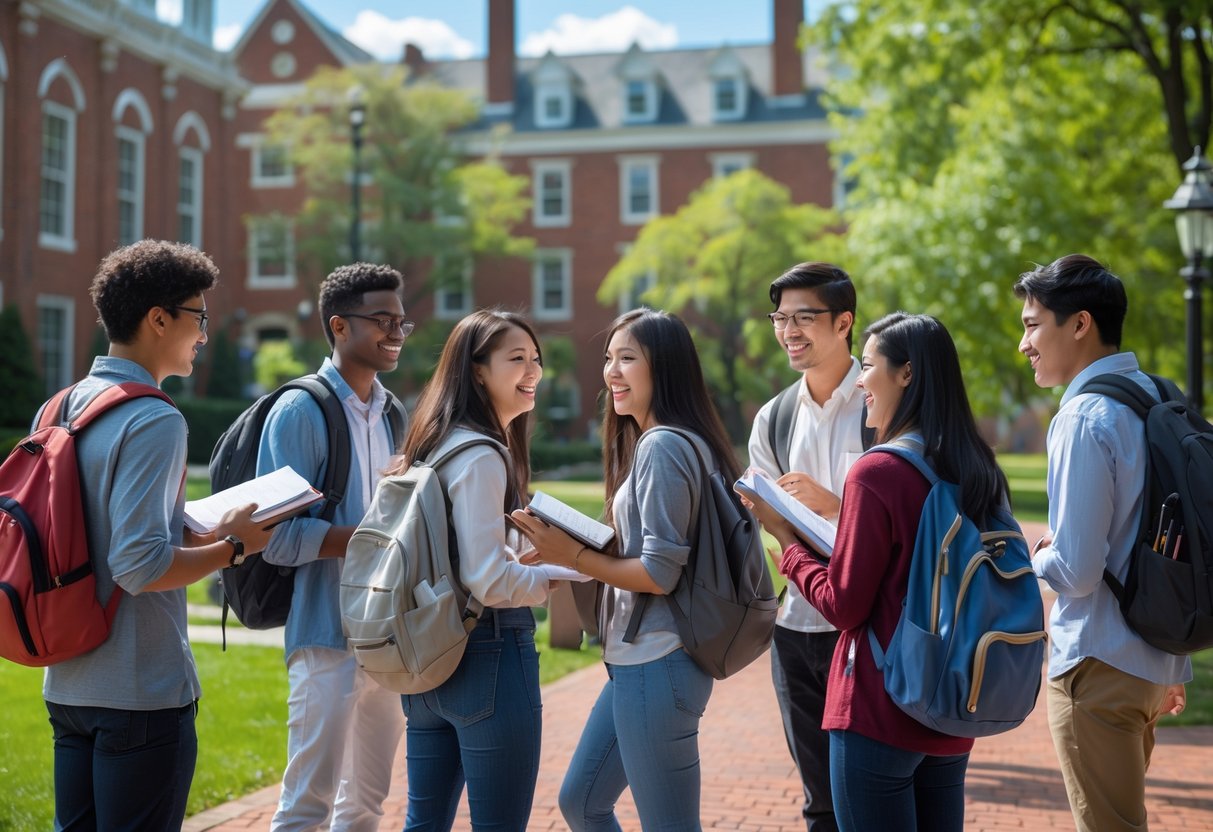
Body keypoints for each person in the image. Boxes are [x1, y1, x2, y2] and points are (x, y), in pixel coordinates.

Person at [41, 240, 273, 831]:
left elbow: (94, 530)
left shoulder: (60, 407)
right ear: (159, 318)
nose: (203, 333)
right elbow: (138, 566)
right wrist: (235, 546)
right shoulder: (154, 417)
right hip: (139, 690)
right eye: (198, 316)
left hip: (68, 683)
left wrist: (192, 530)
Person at [745, 312, 1001, 832]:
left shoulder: (878, 470)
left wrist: (789, 545)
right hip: (950, 696)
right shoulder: (976, 464)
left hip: (879, 701)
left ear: (905, 374)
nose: (860, 380)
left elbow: (844, 606)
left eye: (867, 366)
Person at [510, 308, 739, 830]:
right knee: (582, 803)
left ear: (665, 368)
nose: (611, 371)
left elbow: (660, 573)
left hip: (659, 663)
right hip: (635, 665)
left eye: (627, 358)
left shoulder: (663, 445)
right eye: (609, 358)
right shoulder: (663, 442)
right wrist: (575, 550)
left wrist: (575, 556)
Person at [1013, 254, 1190, 832]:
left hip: (1096, 661)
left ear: (1080, 323)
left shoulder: (1084, 416)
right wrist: (1174, 665)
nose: (1024, 344)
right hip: (1151, 661)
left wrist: (1036, 555)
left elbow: (1079, 571)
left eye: (1033, 324)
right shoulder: (1158, 396)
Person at [256, 263, 411, 832]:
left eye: (401, 321)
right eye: (382, 320)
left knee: (367, 805)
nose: (395, 333)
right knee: (307, 807)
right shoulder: (302, 411)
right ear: (339, 326)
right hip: (326, 635)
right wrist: (373, 538)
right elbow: (275, 539)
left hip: (389, 636)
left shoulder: (393, 412)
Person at [388, 308, 552, 831]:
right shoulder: (482, 455)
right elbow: (488, 581)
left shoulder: (433, 442)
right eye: (517, 359)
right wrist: (559, 577)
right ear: (478, 370)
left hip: (427, 662)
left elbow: (456, 557)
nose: (533, 371)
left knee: (424, 822)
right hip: (490, 654)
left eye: (536, 359)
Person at [747, 262, 865, 832]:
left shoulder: (882, 402)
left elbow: (911, 513)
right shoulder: (773, 418)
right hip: (796, 628)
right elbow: (770, 517)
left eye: (804, 318)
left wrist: (835, 505)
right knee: (819, 801)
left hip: (868, 627)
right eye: (780, 318)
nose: (789, 330)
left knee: (870, 794)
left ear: (844, 322)